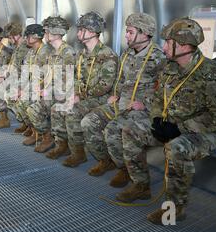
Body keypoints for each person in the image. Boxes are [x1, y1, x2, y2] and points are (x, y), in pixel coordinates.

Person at [116, 17, 216, 225]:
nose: (163, 46)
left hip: (205, 132)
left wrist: (179, 128)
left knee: (176, 148)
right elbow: (156, 99)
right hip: (170, 125)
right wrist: (156, 120)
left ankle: (174, 208)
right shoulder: (169, 69)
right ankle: (141, 185)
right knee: (130, 129)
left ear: (184, 46)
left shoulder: (214, 74)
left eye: (168, 42)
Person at [80, 13, 166, 180]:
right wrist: (116, 95)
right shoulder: (127, 53)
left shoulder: (159, 57)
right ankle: (109, 162)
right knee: (88, 121)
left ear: (144, 33)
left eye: (130, 32)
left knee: (113, 130)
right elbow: (121, 79)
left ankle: (130, 172)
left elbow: (164, 91)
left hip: (142, 109)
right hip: (122, 103)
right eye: (127, 31)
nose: (126, 35)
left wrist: (145, 104)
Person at [47, 12, 118, 164]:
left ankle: (88, 156)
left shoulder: (107, 55)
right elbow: (77, 78)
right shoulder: (81, 54)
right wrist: (75, 94)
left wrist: (80, 96)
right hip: (84, 96)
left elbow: (105, 86)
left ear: (91, 32)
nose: (78, 33)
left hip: (100, 98)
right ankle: (63, 145)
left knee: (72, 111)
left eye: (81, 30)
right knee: (57, 108)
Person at [25, 16, 76, 152]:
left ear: (56, 32)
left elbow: (68, 81)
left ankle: (60, 143)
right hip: (52, 91)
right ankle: (47, 137)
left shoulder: (68, 52)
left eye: (47, 31)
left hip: (63, 94)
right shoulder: (51, 51)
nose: (45, 34)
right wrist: (40, 86)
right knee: (30, 104)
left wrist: (49, 91)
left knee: (35, 109)